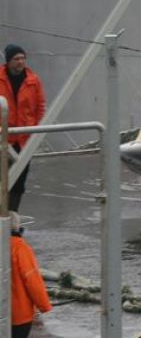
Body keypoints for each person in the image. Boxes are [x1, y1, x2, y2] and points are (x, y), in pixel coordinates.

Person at [0, 44, 45, 212]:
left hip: (24, 139)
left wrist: (33, 128)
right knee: (3, 178)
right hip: (4, 138)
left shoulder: (33, 80)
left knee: (19, 181)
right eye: (16, 59)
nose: (20, 62)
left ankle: (13, 220)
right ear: (8, 61)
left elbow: (40, 106)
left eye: (22, 58)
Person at [9, 211, 53, 338]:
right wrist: (44, 305)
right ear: (17, 226)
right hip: (18, 313)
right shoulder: (19, 248)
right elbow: (32, 280)